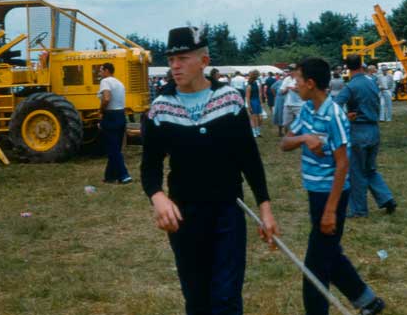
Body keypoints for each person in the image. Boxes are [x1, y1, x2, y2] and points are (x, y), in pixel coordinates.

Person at [141, 26, 279, 315]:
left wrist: (264, 209)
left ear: (204, 61)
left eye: (183, 58)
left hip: (227, 211)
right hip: (184, 216)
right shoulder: (160, 107)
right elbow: (150, 166)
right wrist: (158, 197)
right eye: (171, 60)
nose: (175, 66)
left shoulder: (229, 100)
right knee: (196, 297)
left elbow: (249, 159)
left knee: (226, 298)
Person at [281, 58, 387, 315]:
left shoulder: (334, 115)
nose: (294, 84)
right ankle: (368, 302)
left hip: (332, 196)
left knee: (315, 266)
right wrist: (305, 138)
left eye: (297, 80)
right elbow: (285, 142)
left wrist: (330, 211)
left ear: (311, 83)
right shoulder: (307, 110)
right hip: (315, 193)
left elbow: (343, 165)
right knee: (329, 254)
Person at [333, 54, 396, 218]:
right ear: (361, 65)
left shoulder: (350, 86)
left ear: (347, 68)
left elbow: (335, 106)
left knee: (356, 172)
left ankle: (359, 210)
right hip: (374, 129)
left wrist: (346, 116)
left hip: (358, 131)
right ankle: (386, 198)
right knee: (370, 169)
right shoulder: (371, 82)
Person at [97, 63, 132, 184]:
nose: (100, 73)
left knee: (113, 148)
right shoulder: (119, 83)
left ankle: (124, 175)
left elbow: (106, 98)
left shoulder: (105, 81)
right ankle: (110, 176)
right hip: (121, 115)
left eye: (101, 70)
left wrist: (101, 111)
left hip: (110, 115)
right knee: (115, 147)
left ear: (106, 70)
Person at [281, 65, 304, 132]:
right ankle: (289, 138)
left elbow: (304, 91)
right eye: (290, 70)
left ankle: (300, 138)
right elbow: (282, 92)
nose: (290, 72)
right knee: (286, 124)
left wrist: (295, 89)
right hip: (287, 104)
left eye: (292, 70)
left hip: (299, 104)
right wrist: (287, 89)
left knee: (301, 123)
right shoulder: (286, 79)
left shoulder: (301, 78)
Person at [245, 70, 264, 138]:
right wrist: (249, 107)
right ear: (254, 76)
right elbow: (247, 97)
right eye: (257, 75)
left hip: (257, 101)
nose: (258, 76)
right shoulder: (249, 85)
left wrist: (261, 103)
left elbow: (259, 94)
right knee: (253, 118)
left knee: (259, 118)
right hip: (251, 102)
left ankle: (258, 131)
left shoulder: (257, 82)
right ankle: (254, 132)